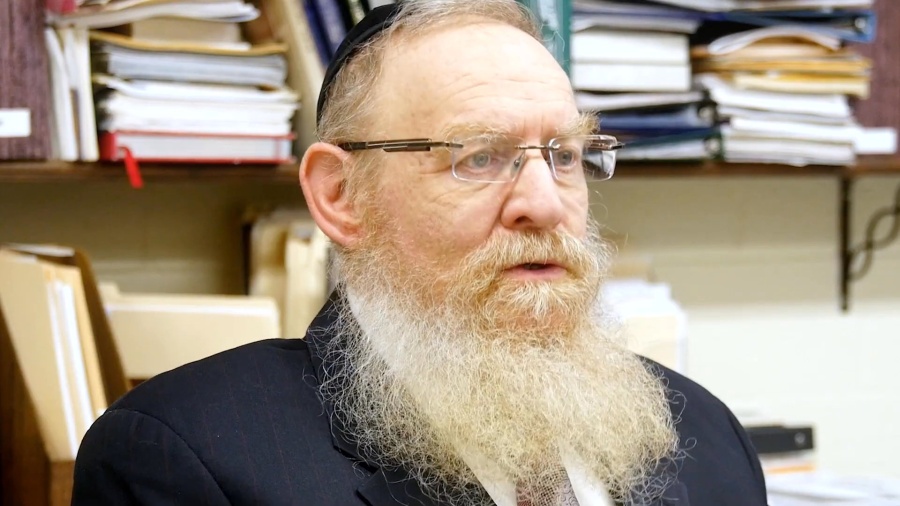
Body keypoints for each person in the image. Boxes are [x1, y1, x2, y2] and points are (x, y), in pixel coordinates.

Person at [72, 1, 769, 505]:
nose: (545, 203)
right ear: (341, 196)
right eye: (480, 156)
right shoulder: (187, 455)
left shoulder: (706, 438)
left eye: (563, 154)